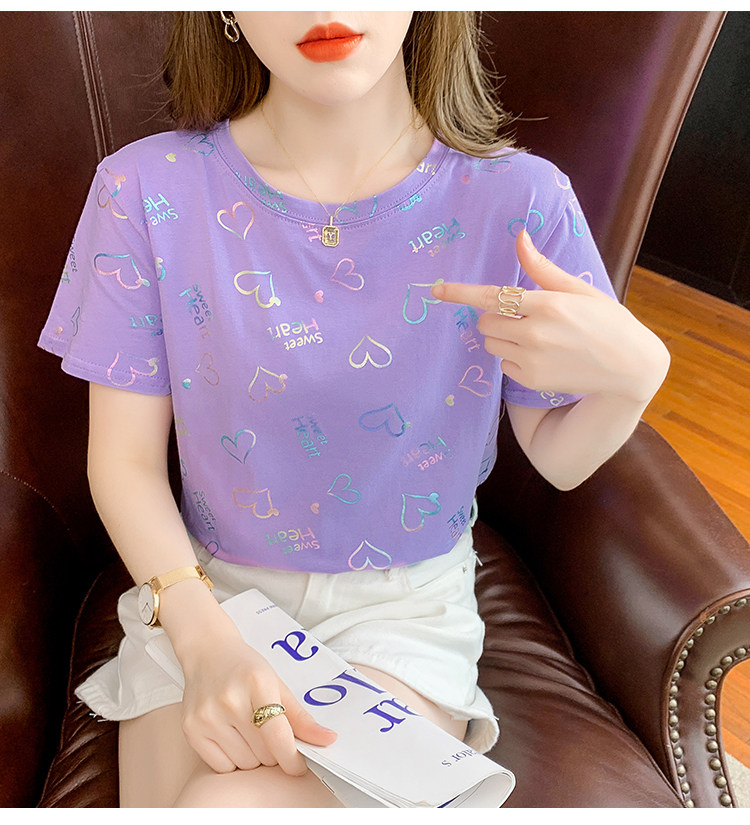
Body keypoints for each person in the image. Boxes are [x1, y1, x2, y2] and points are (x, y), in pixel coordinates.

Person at [37, 10, 670, 808]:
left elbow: (557, 454)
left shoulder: (519, 201)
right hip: (203, 590)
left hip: (403, 611)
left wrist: (638, 378)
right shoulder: (142, 190)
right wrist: (202, 637)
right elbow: (123, 462)